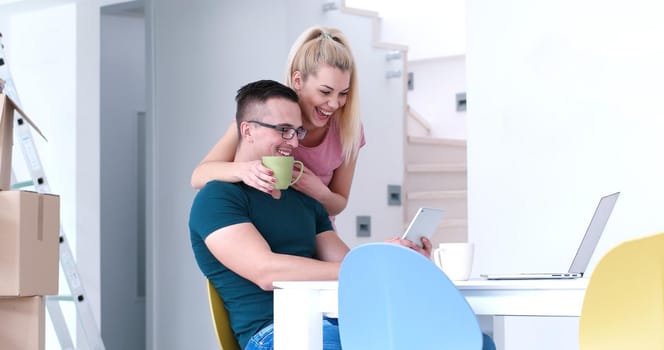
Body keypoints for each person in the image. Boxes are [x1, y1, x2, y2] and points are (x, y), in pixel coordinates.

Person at [189, 80, 431, 350]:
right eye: (283, 130)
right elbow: (265, 271)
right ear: (247, 130)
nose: (293, 142)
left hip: (330, 324)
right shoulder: (218, 198)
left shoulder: (305, 201)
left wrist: (392, 257)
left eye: (297, 131)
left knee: (459, 339)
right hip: (273, 333)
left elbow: (345, 263)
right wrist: (362, 268)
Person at [190, 26, 364, 221]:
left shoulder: (348, 129)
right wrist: (245, 169)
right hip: (267, 226)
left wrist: (319, 192)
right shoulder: (268, 114)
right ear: (298, 81)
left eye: (343, 94)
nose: (334, 104)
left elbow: (339, 203)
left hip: (316, 231)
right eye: (325, 92)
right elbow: (199, 176)